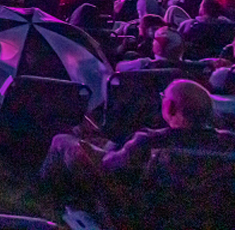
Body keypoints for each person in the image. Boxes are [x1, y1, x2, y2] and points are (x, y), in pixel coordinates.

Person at [41, 79, 235, 207]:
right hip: (198, 213)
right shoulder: (228, 141)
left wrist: (86, 148)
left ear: (170, 107)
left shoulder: (150, 141)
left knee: (62, 141)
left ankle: (46, 203)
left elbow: (108, 166)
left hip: (136, 207)